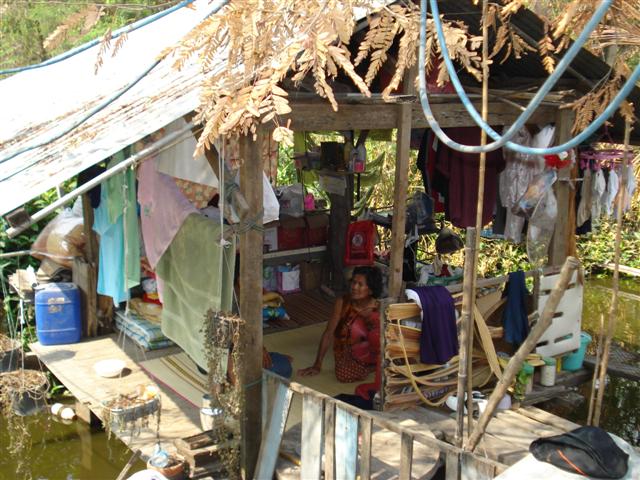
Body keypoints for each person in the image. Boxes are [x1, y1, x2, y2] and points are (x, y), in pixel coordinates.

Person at [298, 266, 382, 385]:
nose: (354, 287)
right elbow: (328, 333)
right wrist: (317, 364)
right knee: (343, 375)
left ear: (371, 290)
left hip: (373, 352)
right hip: (350, 351)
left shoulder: (379, 308)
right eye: (353, 282)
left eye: (360, 284)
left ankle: (374, 365)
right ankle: (369, 367)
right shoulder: (343, 302)